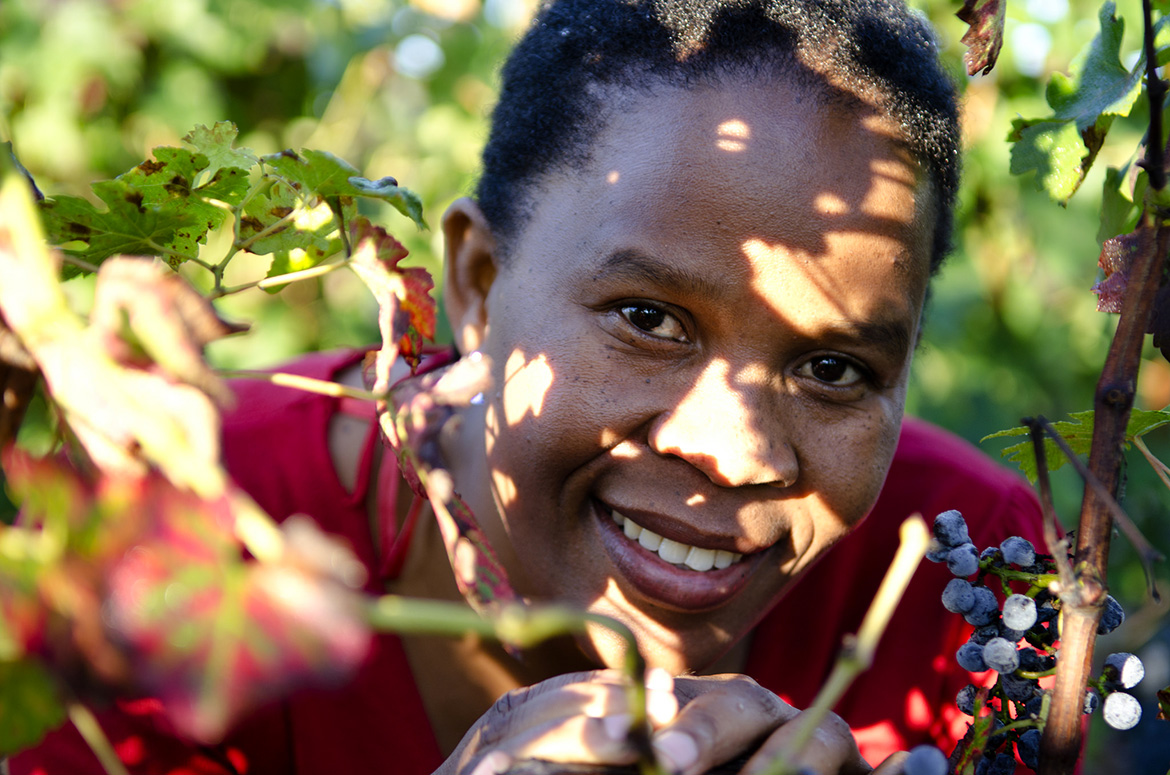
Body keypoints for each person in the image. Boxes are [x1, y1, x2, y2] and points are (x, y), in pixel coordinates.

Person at [9, 1, 1047, 774]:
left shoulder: (962, 575)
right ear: (477, 283)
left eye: (833, 370)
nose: (739, 452)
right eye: (649, 319)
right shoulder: (161, 541)